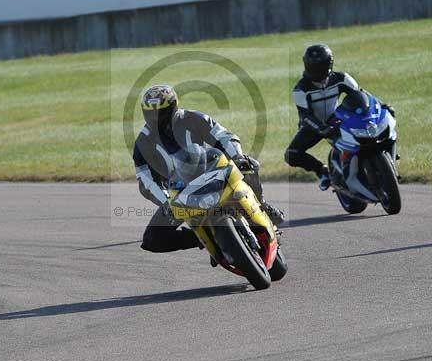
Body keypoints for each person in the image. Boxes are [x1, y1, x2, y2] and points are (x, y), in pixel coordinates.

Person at [133, 84, 284, 253]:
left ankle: (262, 206)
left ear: (173, 107)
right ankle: (204, 239)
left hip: (211, 170)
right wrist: (166, 201)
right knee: (152, 240)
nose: (157, 118)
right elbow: (145, 180)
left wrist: (237, 156)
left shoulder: (191, 118)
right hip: (180, 194)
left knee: (249, 165)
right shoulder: (142, 142)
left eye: (162, 113)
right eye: (151, 114)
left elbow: (223, 136)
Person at [284, 43, 388, 190]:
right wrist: (322, 128)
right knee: (291, 155)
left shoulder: (342, 78)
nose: (315, 70)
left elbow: (363, 95)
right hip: (312, 126)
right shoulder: (301, 89)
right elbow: (305, 117)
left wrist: (382, 106)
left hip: (337, 119)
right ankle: (322, 171)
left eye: (319, 66)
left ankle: (377, 163)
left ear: (329, 64)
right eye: (311, 66)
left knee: (364, 138)